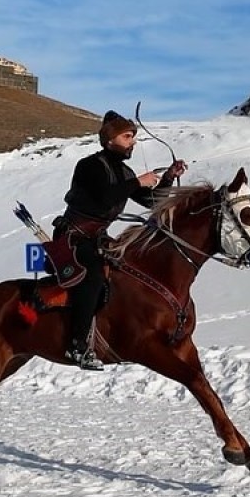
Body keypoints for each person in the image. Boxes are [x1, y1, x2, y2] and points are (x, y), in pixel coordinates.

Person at [50, 110, 187, 370]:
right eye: (127, 136)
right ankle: (77, 346)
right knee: (93, 278)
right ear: (110, 139)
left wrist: (168, 177)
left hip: (98, 238)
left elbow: (152, 201)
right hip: (73, 237)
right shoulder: (89, 166)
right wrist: (137, 181)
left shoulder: (124, 172)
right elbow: (103, 197)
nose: (132, 142)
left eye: (133, 136)